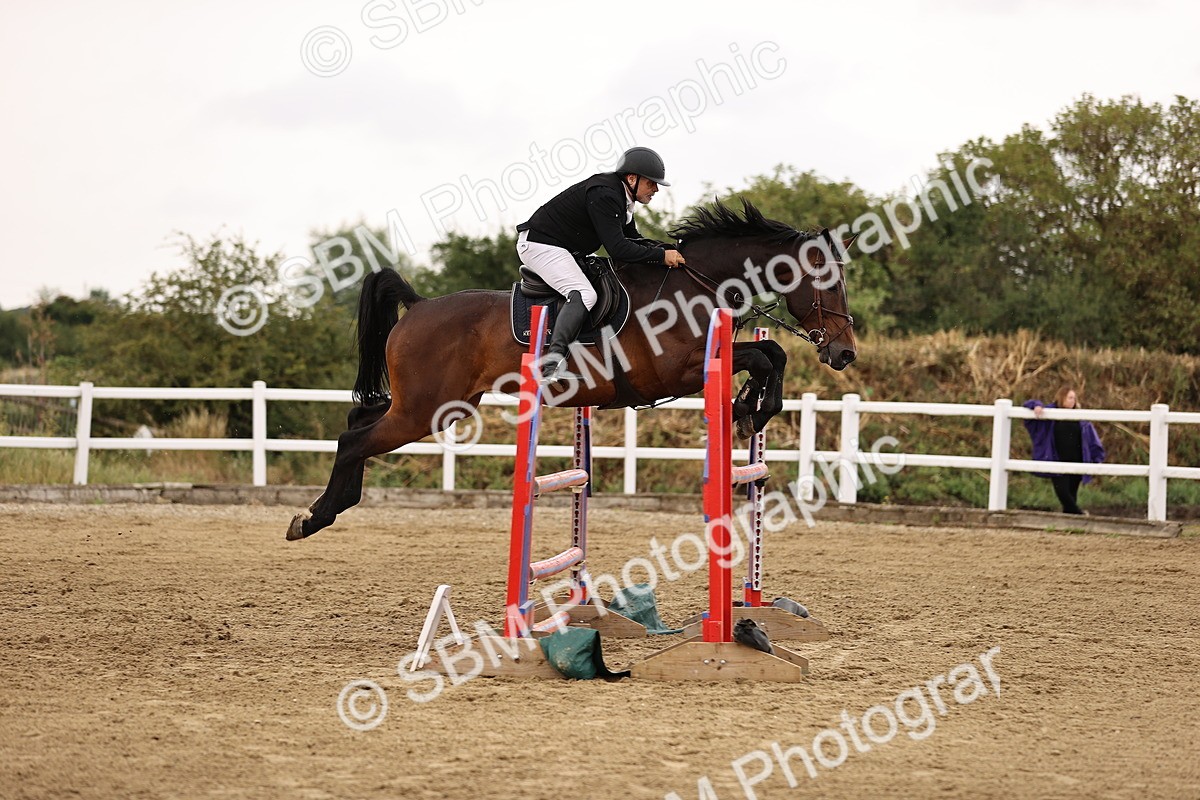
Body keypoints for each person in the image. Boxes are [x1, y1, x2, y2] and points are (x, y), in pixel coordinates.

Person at [515, 146, 687, 382]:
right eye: (651, 183)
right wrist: (660, 257)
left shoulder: (622, 197)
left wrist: (668, 248)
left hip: (562, 247)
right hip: (540, 246)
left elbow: (633, 239)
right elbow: (618, 249)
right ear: (632, 178)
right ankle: (552, 362)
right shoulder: (606, 195)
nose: (656, 189)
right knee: (585, 293)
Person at [1022, 385, 1106, 515]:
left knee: (1072, 493)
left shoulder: (1080, 417)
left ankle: (1070, 521)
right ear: (1062, 398)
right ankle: (1079, 514)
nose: (1072, 400)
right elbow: (1029, 407)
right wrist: (1036, 405)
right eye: (1069, 397)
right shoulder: (1050, 412)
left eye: (1074, 398)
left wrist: (1096, 457)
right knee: (1062, 492)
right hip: (1057, 459)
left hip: (1077, 459)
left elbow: (1091, 439)